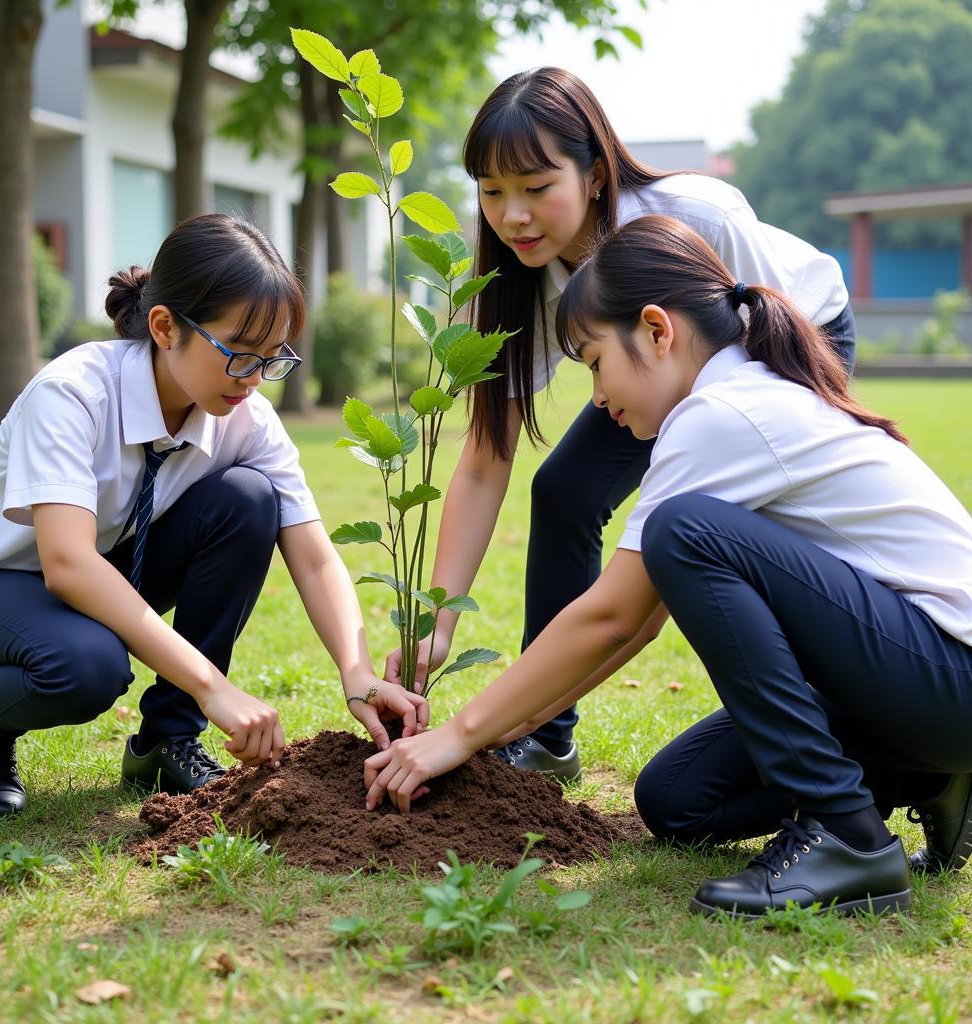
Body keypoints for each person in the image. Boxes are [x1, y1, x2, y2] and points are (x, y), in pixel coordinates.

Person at [364, 214, 972, 918]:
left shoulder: (722, 413)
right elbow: (638, 624)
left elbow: (612, 616)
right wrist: (492, 736)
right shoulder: (737, 395)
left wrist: (457, 735)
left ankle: (847, 835)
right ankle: (936, 779)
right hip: (917, 686)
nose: (595, 395)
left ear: (657, 330)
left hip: (948, 676)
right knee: (679, 798)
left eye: (594, 361)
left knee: (684, 532)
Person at [385, 67, 857, 781]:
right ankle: (546, 739)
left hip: (786, 346)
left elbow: (782, 332)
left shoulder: (698, 218)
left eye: (537, 188)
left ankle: (846, 735)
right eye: (492, 192)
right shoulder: (512, 282)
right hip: (649, 368)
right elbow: (486, 459)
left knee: (718, 541)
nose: (513, 216)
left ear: (597, 174)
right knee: (565, 491)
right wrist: (438, 622)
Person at [0, 213, 427, 817]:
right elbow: (67, 563)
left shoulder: (244, 416)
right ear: (165, 326)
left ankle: (165, 741)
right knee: (87, 665)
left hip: (107, 565)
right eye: (239, 354)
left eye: (271, 359)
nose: (254, 380)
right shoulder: (74, 393)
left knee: (249, 500)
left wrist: (358, 674)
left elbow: (311, 551)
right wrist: (214, 688)